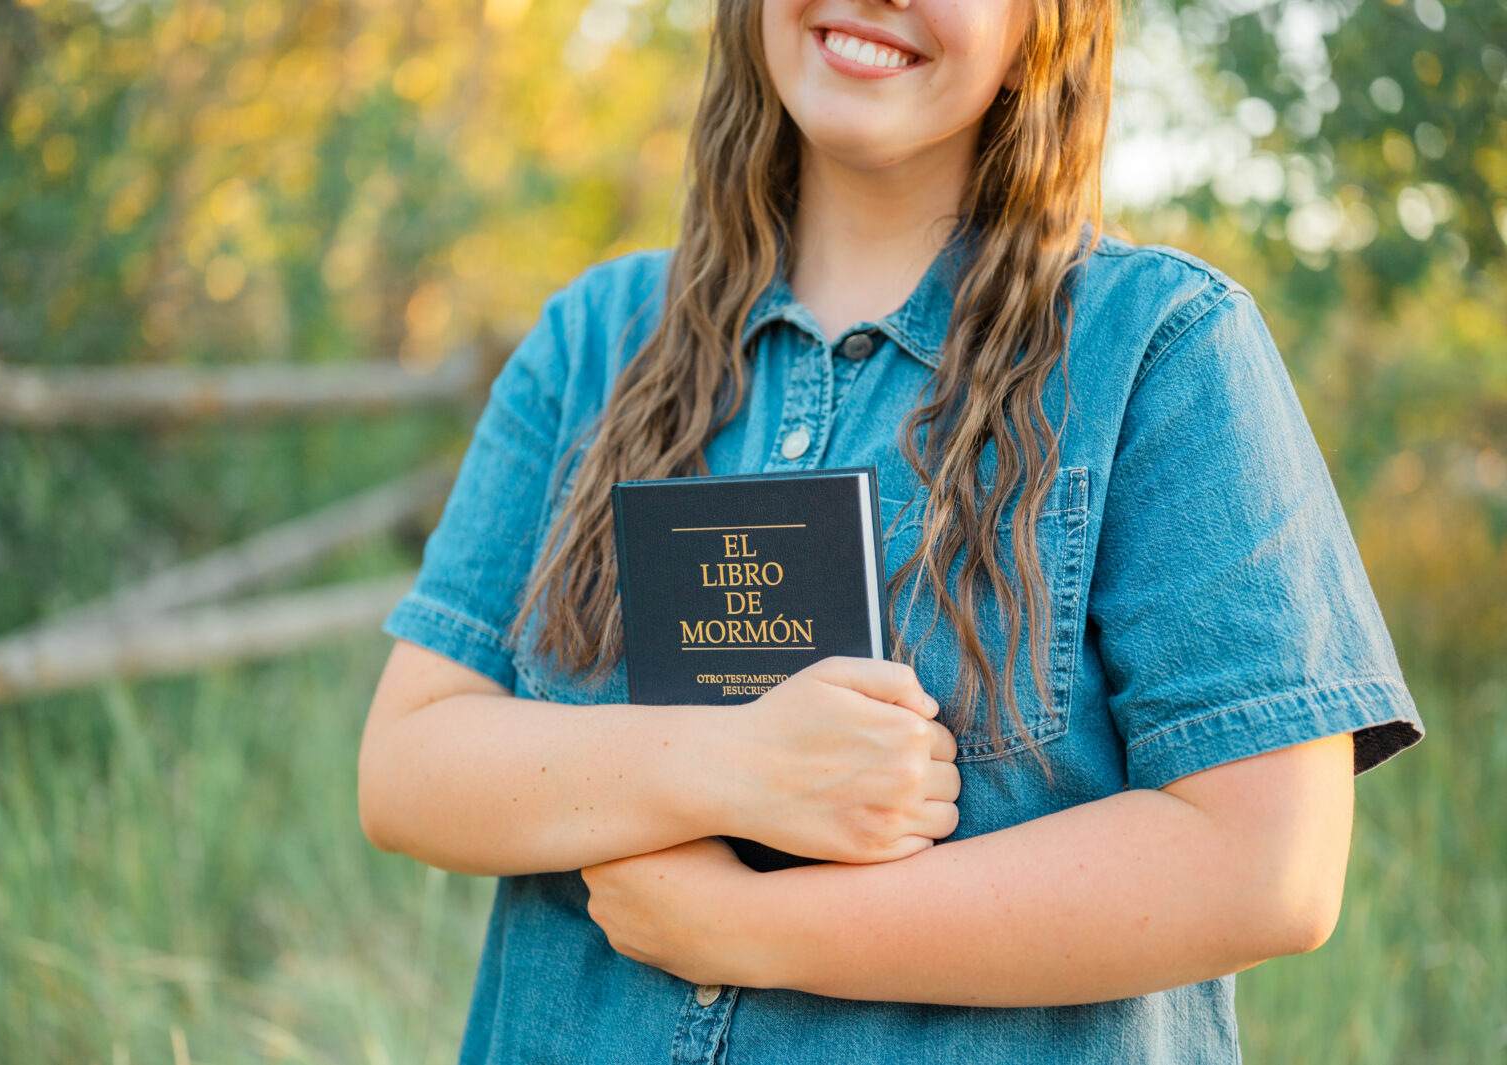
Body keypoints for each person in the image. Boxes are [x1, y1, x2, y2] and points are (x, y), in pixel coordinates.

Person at [357, 0, 1425, 1056]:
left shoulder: (1161, 349)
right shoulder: (592, 339)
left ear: (1038, 31)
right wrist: (722, 763)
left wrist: (749, 931)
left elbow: (1261, 870)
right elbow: (408, 765)